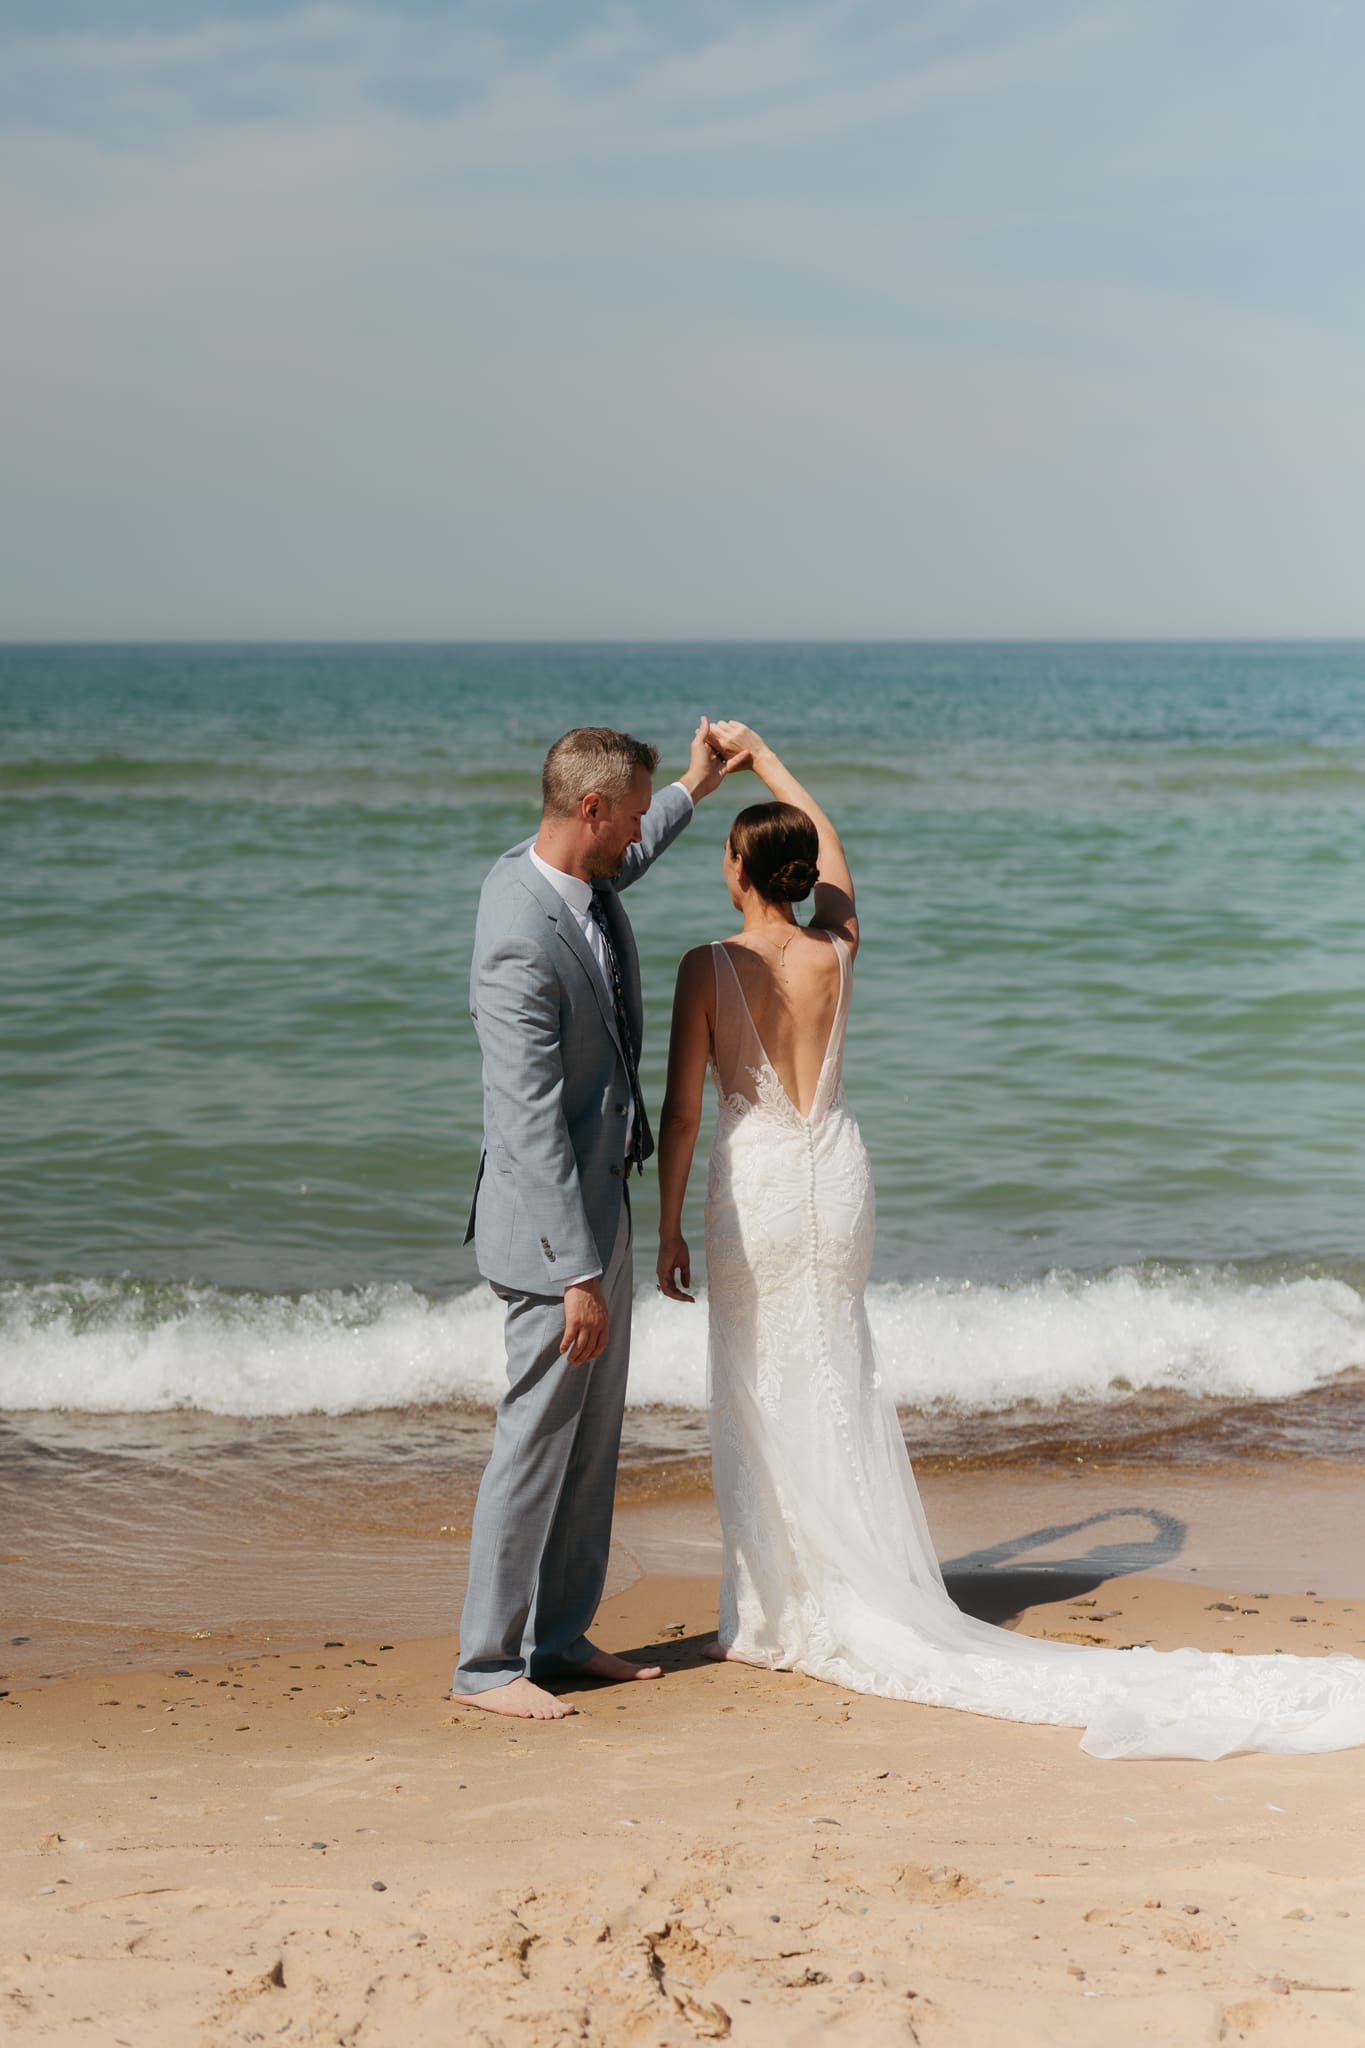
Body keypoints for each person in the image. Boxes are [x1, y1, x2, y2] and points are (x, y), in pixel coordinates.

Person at [656, 721, 1365, 1760]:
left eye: (727, 853)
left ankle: (770, 1613)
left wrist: (664, 1222)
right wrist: (765, 760)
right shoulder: (838, 954)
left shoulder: (706, 965)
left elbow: (680, 1114)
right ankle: (840, 1584)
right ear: (797, 873)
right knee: (834, 1366)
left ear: (737, 870)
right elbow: (841, 860)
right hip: (837, 1169)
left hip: (758, 1177)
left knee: (760, 1375)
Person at [454, 718, 745, 1721]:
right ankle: (487, 1663)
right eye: (627, 817)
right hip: (551, 1237)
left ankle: (561, 1633)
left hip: (603, 1204)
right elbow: (525, 1119)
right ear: (589, 810)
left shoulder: (587, 875)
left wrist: (695, 789)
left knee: (593, 1442)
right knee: (535, 1442)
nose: (636, 836)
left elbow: (640, 843)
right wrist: (576, 1271)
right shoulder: (517, 938)